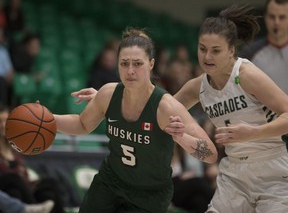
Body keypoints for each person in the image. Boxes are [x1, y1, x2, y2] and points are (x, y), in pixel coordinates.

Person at [74, 5, 288, 213]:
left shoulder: (246, 75)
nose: (207, 57)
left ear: (231, 50)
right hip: (235, 172)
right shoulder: (198, 86)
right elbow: (155, 107)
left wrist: (254, 133)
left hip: (272, 168)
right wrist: (114, 99)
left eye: (216, 51)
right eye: (202, 49)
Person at [54, 27, 218, 213]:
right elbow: (81, 124)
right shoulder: (108, 93)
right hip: (110, 182)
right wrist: (48, 120)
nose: (130, 70)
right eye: (124, 63)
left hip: (149, 194)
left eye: (137, 64)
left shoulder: (165, 107)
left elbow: (211, 153)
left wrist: (182, 138)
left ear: (151, 64)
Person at [0, 105, 65, 213]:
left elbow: (24, 175)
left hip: (21, 186)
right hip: (5, 187)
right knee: (14, 183)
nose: (3, 125)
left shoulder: (15, 146)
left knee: (48, 186)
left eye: (5, 121)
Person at [240, 0, 288, 94]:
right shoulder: (250, 53)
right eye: (272, 17)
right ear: (265, 18)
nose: (276, 23)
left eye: (282, 17)